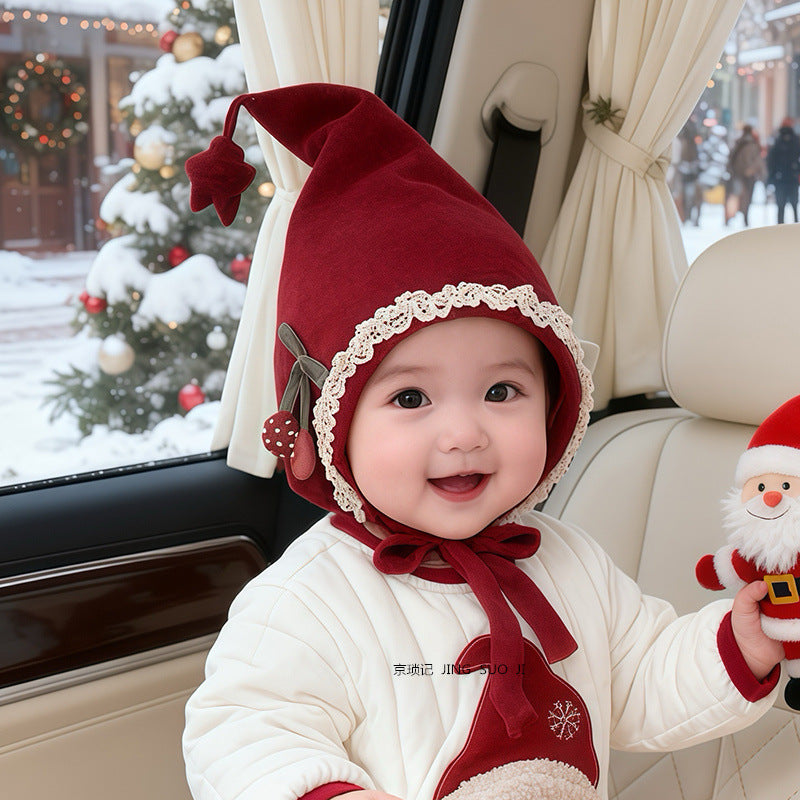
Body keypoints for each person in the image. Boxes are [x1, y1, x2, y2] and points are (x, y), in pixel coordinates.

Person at [182, 84, 780, 800]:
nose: (465, 433)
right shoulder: (309, 600)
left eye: (502, 392)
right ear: (330, 426)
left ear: (553, 404)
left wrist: (740, 644)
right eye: (410, 398)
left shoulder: (569, 562)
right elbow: (242, 737)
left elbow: (645, 679)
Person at [726, 124, 765, 227]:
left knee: (735, 195)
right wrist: (760, 173)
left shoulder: (738, 143)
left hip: (736, 174)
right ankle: (745, 217)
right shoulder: (753, 144)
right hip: (749, 175)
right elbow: (757, 161)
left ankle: (730, 216)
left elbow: (731, 158)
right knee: (747, 197)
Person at [767, 118, 800, 224]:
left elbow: (771, 161)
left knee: (781, 206)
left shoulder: (777, 140)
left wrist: (771, 177)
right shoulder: (796, 140)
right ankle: (795, 226)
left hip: (781, 178)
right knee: (793, 205)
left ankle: (781, 226)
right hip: (791, 178)